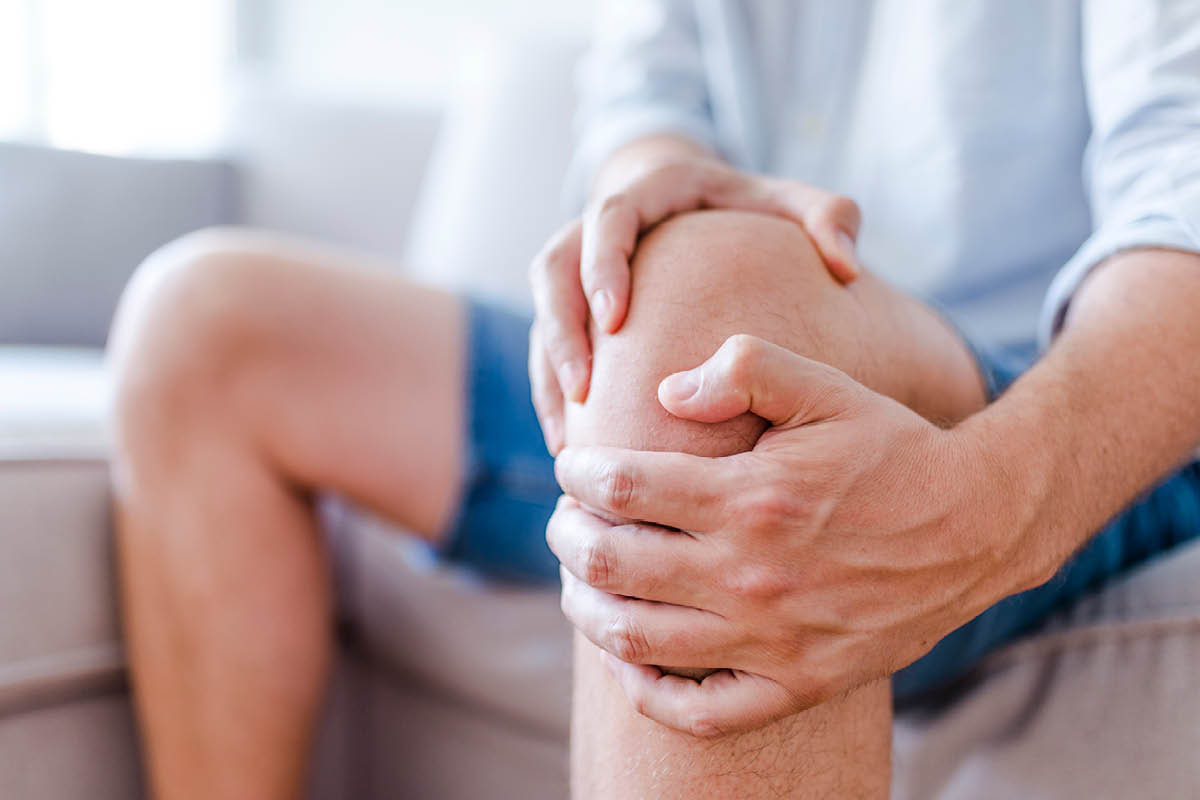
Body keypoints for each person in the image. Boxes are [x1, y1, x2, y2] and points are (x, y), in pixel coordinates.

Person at [106, 2, 1200, 799]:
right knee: (200, 324)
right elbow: (649, 100)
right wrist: (653, 187)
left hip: (1066, 387)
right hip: (738, 329)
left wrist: (989, 498)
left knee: (712, 341)